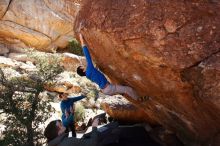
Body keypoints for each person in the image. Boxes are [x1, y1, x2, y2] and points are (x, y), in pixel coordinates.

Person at [77, 33, 142, 101]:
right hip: (109, 88)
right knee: (128, 89)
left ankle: (119, 92)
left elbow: (95, 74)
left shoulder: (88, 75)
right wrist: (82, 40)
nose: (84, 66)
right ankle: (138, 99)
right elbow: (87, 55)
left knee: (119, 89)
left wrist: (96, 67)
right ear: (83, 70)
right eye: (82, 67)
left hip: (105, 90)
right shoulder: (89, 69)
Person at [44, 116, 119, 146]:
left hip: (84, 141)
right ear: (58, 133)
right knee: (101, 132)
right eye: (60, 125)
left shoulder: (55, 143)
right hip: (93, 143)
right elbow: (93, 142)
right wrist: (94, 126)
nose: (62, 124)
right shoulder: (68, 141)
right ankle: (117, 126)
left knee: (97, 132)